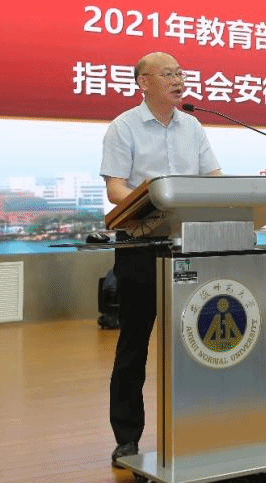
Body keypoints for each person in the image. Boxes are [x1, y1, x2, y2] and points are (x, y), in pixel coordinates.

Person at [100, 52, 222, 467]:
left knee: (196, 341)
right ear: (144, 82)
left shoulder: (193, 126)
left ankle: (197, 429)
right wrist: (153, 202)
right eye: (167, 73)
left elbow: (212, 179)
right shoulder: (124, 126)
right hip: (141, 246)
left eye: (180, 73)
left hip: (189, 245)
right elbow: (116, 189)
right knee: (134, 345)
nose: (178, 79)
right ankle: (127, 439)